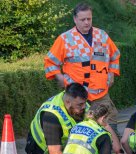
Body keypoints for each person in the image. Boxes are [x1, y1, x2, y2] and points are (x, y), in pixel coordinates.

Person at [44, 2, 121, 135]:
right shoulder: (65, 39)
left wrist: (112, 73)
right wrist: (59, 76)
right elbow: (50, 62)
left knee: (110, 125)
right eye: (82, 19)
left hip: (101, 94)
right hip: (77, 96)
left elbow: (114, 56)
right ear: (75, 19)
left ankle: (112, 152)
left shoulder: (102, 36)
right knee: (81, 131)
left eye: (89, 19)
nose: (86, 22)